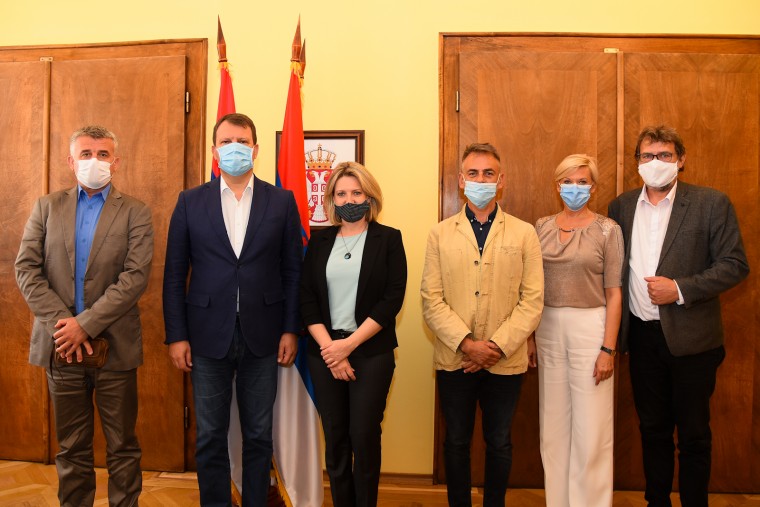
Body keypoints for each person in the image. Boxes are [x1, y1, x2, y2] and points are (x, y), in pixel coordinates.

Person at [162, 113, 302, 506]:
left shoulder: (281, 201)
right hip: (206, 336)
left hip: (265, 335)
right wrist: (177, 336)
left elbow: (293, 271)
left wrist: (290, 329)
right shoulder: (190, 202)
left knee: (258, 435)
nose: (234, 148)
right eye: (226, 142)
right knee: (210, 435)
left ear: (255, 150)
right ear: (214, 150)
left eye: (242, 141)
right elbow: (174, 274)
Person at [608, 125, 749, 507]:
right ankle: (657, 501)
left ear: (681, 160)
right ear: (637, 162)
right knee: (652, 430)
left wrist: (680, 289)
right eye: (647, 156)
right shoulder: (621, 206)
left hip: (693, 342)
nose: (656, 162)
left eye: (665, 155)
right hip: (641, 338)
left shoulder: (711, 203)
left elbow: (735, 265)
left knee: (693, 436)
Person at [15, 125, 154, 506]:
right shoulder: (46, 207)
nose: (95, 161)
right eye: (86, 154)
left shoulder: (136, 212)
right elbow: (26, 269)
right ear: (71, 161)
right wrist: (66, 326)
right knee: (72, 447)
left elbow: (135, 277)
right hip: (61, 346)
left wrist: (85, 325)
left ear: (116, 162)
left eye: (103, 154)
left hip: (116, 349)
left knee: (123, 445)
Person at [421, 142, 544, 507]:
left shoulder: (524, 233)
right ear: (461, 180)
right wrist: (467, 345)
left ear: (500, 180)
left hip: (505, 360)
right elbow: (431, 299)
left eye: (488, 173)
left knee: (499, 441)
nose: (480, 179)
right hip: (455, 359)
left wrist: (494, 347)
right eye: (473, 173)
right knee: (456, 441)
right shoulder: (440, 233)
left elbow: (532, 300)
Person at [300, 162, 407, 506]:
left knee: (364, 435)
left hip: (370, 351)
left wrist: (348, 345)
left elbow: (392, 298)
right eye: (342, 193)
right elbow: (307, 299)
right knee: (336, 438)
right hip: (325, 352)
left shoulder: (388, 239)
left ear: (369, 196)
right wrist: (332, 350)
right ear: (331, 199)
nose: (349, 200)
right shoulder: (319, 241)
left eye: (357, 193)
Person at [529, 154, 622, 507]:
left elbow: (614, 294)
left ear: (593, 187)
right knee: (553, 426)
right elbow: (530, 288)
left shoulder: (608, 230)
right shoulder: (540, 227)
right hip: (547, 328)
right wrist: (529, 338)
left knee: (591, 426)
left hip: (591, 328)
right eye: (568, 181)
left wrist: (608, 349)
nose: (575, 188)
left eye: (582, 182)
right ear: (557, 186)